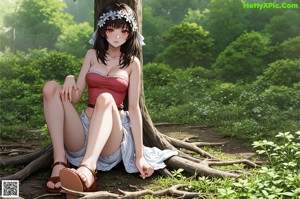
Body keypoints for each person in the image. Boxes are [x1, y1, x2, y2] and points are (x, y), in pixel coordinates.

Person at [43, 2, 177, 196]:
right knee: (50, 88)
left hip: (111, 137)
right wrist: (70, 78)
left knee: (105, 98)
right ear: (102, 30)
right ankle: (59, 161)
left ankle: (88, 170)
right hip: (83, 130)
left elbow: (134, 109)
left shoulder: (133, 63)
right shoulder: (91, 56)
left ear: (130, 32)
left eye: (123, 31)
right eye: (110, 29)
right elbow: (75, 96)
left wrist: (139, 156)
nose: (116, 36)